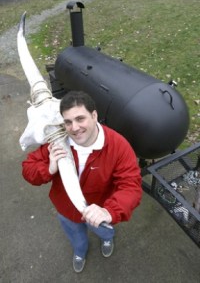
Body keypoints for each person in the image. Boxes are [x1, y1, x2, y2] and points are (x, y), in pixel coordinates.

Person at [22, 90, 142, 273]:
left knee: (104, 230)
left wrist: (109, 211)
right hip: (66, 208)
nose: (74, 128)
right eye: (68, 122)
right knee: (76, 236)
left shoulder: (118, 146)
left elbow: (131, 186)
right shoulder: (57, 141)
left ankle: (107, 237)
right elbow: (28, 168)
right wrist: (49, 168)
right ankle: (80, 251)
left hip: (98, 212)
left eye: (80, 119)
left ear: (94, 115)